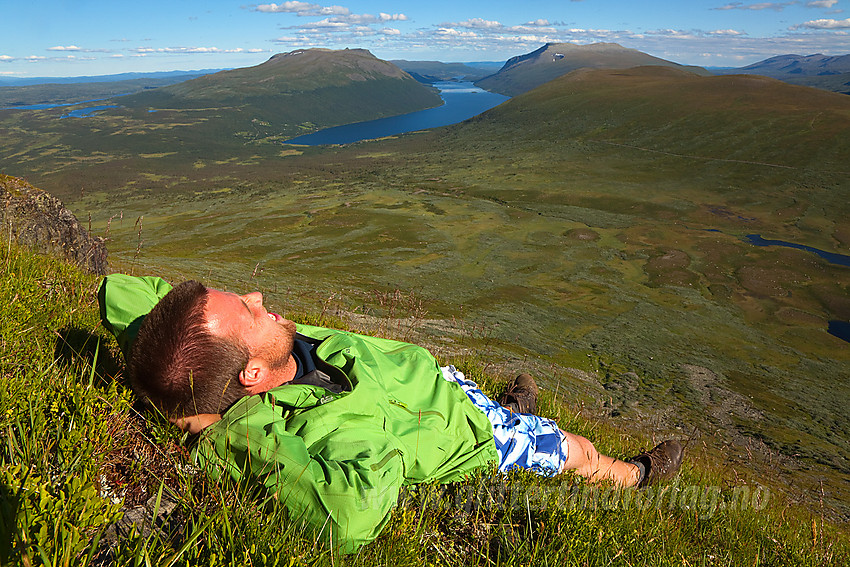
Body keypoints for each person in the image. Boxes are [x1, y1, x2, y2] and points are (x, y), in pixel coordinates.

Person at [98, 273, 684, 553]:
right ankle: (631, 474)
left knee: (478, 391)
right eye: (249, 313)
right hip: (470, 433)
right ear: (251, 378)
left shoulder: (245, 351)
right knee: (571, 449)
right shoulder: (316, 432)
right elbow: (348, 519)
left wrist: (161, 373)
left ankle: (510, 404)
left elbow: (119, 292)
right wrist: (226, 432)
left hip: (433, 382)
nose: (256, 298)